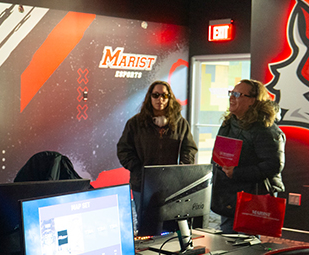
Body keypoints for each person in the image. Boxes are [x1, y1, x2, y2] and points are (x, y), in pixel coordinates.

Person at [211, 79, 285, 233]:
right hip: (229, 195)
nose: (232, 97)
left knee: (246, 243)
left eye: (238, 94)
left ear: (253, 101)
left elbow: (274, 165)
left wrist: (237, 173)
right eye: (231, 93)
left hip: (252, 199)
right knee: (227, 240)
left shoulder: (266, 129)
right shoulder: (229, 123)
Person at [117, 80, 198, 216]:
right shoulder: (135, 123)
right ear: (149, 97)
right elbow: (123, 150)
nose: (160, 99)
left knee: (169, 222)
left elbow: (189, 149)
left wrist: (181, 171)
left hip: (171, 185)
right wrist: (139, 170)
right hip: (142, 184)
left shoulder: (180, 123)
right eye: (155, 95)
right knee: (145, 222)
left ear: (169, 98)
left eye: (164, 95)